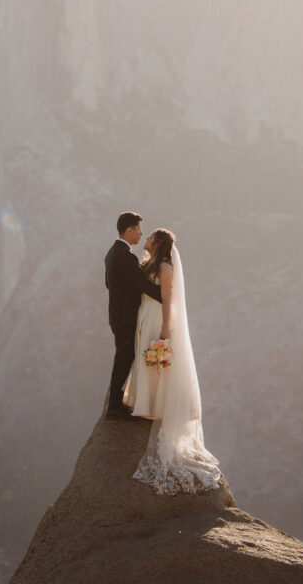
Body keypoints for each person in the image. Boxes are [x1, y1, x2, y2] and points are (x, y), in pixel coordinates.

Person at [124, 228, 221, 495]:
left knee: (155, 365)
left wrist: (165, 328)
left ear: (158, 243)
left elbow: (168, 298)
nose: (145, 239)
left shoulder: (165, 267)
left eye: (149, 237)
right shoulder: (150, 263)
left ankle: (156, 404)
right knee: (147, 362)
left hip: (158, 317)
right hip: (146, 314)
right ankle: (146, 402)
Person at [104, 212, 162, 419]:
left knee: (124, 356)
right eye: (138, 230)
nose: (140, 234)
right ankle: (114, 406)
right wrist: (166, 298)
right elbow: (142, 284)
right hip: (125, 317)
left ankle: (116, 402)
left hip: (117, 314)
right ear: (128, 230)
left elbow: (109, 284)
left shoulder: (112, 253)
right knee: (124, 357)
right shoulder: (126, 256)